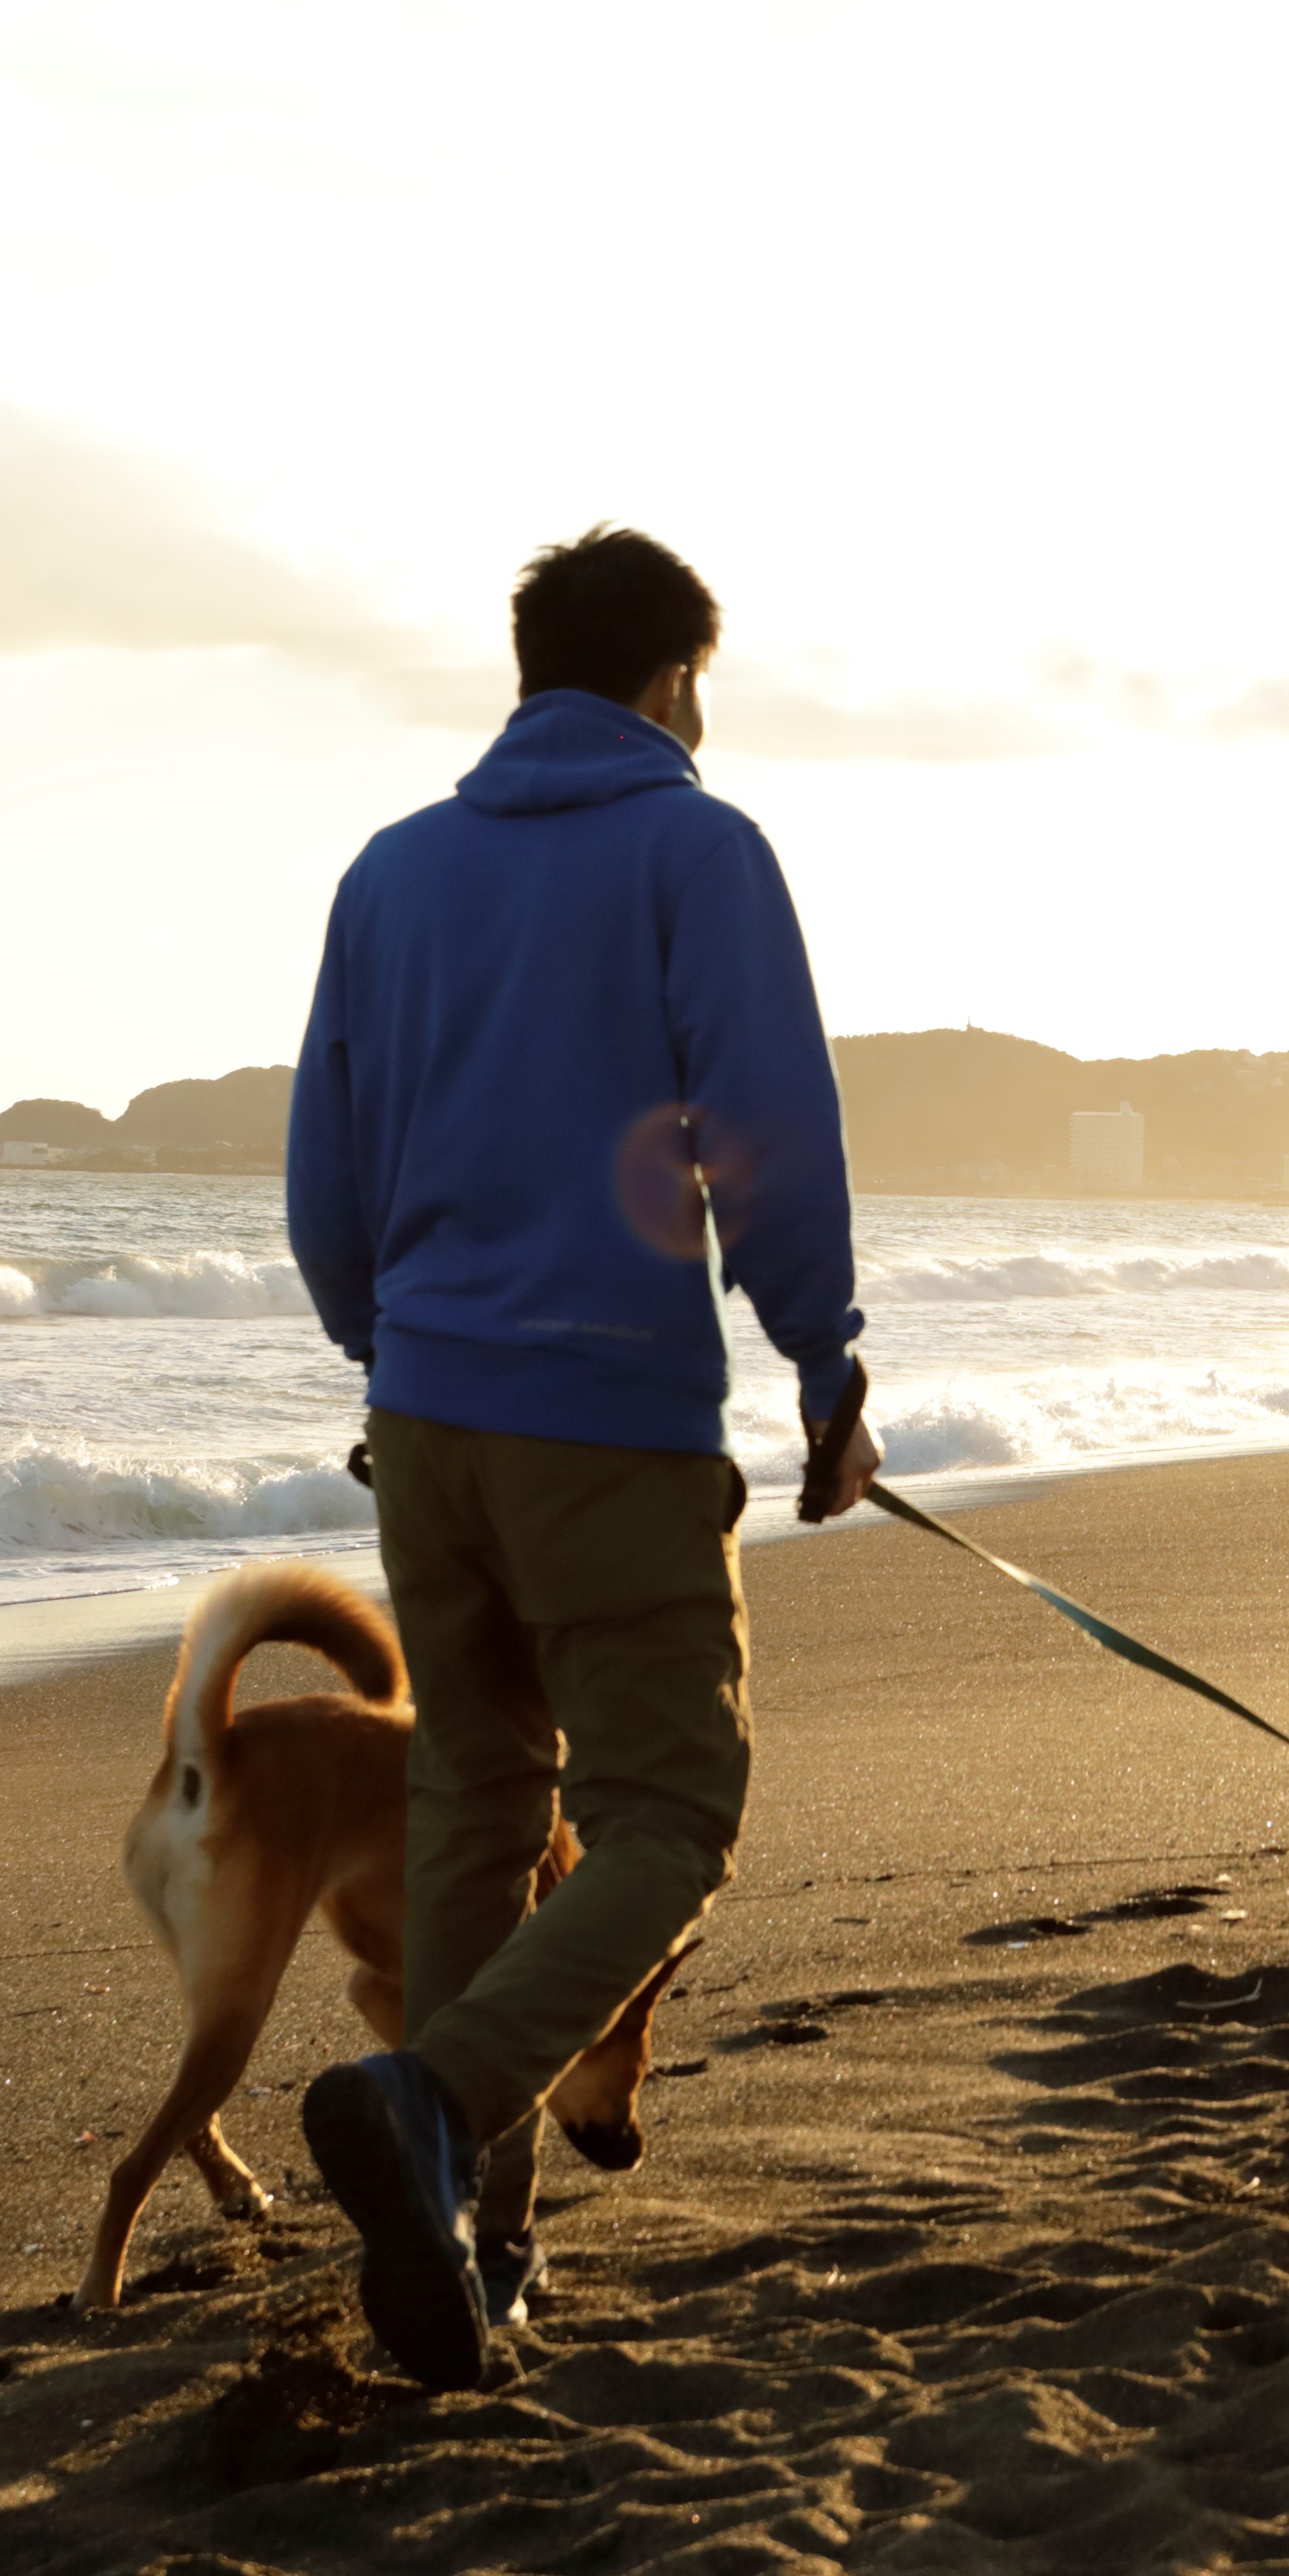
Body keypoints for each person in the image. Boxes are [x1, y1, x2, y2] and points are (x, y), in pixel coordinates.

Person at [281, 525, 878, 2388]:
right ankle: (442, 2107)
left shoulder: (391, 874)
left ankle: (476, 2242)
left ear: (526, 668)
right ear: (676, 677)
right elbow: (761, 1121)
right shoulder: (693, 847)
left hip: (425, 1414)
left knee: (475, 1804)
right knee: (668, 1815)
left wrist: (386, 1352)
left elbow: (324, 1169)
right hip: (601, 1412)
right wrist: (822, 1361)